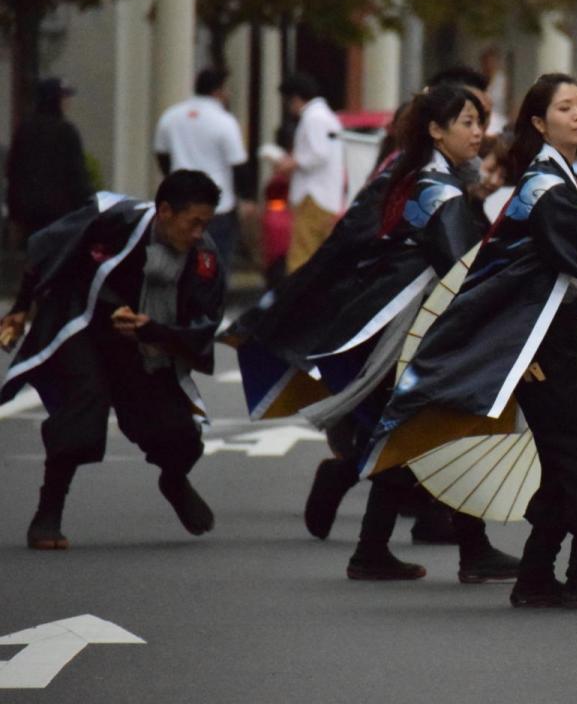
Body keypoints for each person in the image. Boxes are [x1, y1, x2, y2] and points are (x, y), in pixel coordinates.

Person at [366, 73, 577, 609]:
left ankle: (539, 577)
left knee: (572, 459)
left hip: (546, 336)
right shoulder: (544, 186)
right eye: (566, 108)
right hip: (529, 344)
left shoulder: (559, 178)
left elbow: (555, 263)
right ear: (539, 123)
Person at [226, 86, 516, 582]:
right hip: (414, 329)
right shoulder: (437, 189)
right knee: (439, 430)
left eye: (479, 121)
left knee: (423, 432)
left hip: (412, 326)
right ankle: (452, 549)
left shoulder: (431, 179)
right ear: (435, 130)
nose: (478, 132)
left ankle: (391, 547)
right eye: (467, 121)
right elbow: (460, 267)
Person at [1, 172, 225, 549]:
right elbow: (48, 251)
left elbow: (203, 326)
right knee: (84, 405)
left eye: (207, 224)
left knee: (180, 436)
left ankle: (173, 479)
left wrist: (152, 330)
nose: (199, 233)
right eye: (194, 222)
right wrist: (21, 308)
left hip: (146, 343)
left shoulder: (204, 259)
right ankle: (48, 511)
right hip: (85, 323)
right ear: (165, 212)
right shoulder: (113, 220)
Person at [154, 68, 249, 266]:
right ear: (218, 91)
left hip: (179, 204)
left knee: (177, 263)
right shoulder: (225, 121)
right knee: (214, 265)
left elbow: (161, 153)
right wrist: (245, 198)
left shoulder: (171, 116)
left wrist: (173, 180)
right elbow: (238, 165)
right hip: (217, 206)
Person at [5, 78, 93, 240]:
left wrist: (14, 212)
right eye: (64, 98)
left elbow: (14, 172)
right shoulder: (66, 132)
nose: (67, 103)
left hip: (28, 216)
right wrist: (88, 205)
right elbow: (76, 175)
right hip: (60, 215)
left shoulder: (25, 130)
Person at [275, 73, 344, 273]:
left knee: (302, 255)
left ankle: (295, 300)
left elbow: (318, 153)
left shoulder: (313, 118)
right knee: (319, 256)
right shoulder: (325, 116)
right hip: (325, 195)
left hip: (312, 195)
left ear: (295, 98)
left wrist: (291, 163)